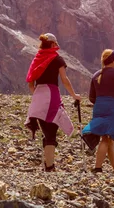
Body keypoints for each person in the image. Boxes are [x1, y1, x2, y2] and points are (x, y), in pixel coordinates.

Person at [25, 33, 82, 172]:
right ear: (52, 44)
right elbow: (64, 79)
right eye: (56, 44)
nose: (57, 46)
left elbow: (30, 82)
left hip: (38, 97)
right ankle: (49, 167)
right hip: (51, 95)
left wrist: (37, 95)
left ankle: (47, 165)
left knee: (46, 131)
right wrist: (74, 95)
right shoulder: (57, 59)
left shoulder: (37, 59)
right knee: (51, 132)